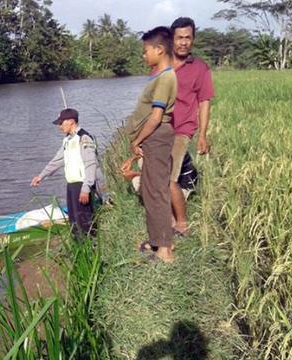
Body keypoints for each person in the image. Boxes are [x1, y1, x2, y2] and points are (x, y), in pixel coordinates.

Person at [121, 26, 176, 262]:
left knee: (156, 192)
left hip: (155, 137)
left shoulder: (165, 78)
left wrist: (137, 139)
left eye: (146, 51)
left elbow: (155, 116)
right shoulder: (161, 77)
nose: (144, 56)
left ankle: (165, 250)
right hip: (154, 138)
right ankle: (157, 241)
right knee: (150, 190)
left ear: (160, 49)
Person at [169, 17, 215, 236]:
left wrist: (202, 135)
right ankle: (168, 218)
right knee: (158, 175)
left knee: (168, 178)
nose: (183, 42)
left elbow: (205, 101)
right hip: (160, 129)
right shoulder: (162, 63)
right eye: (179, 38)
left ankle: (182, 223)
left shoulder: (200, 69)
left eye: (188, 38)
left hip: (182, 130)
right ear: (172, 39)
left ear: (193, 40)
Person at [30, 108, 98, 239]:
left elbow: (91, 164)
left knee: (85, 222)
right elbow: (57, 160)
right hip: (71, 186)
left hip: (82, 186)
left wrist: (86, 188)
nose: (59, 126)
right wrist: (41, 176)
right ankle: (79, 249)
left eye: (61, 123)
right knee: (74, 222)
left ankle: (92, 249)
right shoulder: (67, 140)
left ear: (71, 122)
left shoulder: (84, 138)